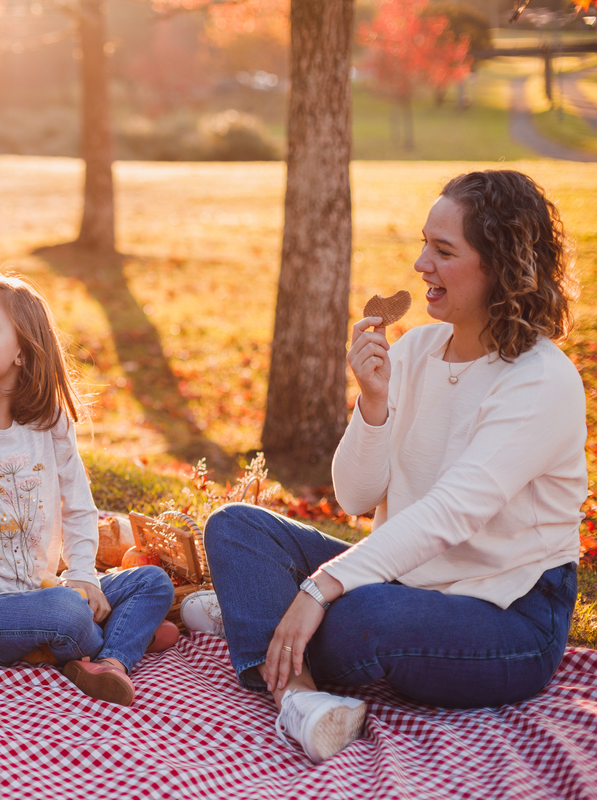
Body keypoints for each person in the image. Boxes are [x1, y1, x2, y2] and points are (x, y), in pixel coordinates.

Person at [200, 169, 586, 763]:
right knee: (236, 525)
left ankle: (256, 618)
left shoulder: (539, 380)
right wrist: (373, 406)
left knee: (364, 614)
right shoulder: (415, 351)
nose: (420, 264)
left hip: (506, 613)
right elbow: (355, 497)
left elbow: (450, 514)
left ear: (500, 268)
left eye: (444, 250)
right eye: (424, 243)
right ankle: (297, 697)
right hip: (407, 576)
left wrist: (319, 587)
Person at [0, 273, 178, 707]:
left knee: (152, 582)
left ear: (23, 352)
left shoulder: (49, 422)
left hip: (43, 587)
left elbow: (79, 505)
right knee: (66, 613)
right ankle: (119, 641)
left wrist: (85, 576)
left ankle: (106, 663)